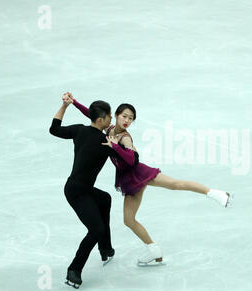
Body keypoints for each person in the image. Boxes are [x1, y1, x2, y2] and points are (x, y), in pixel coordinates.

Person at [63, 92, 233, 266]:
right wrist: (74, 102)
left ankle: (216, 194)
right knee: (128, 220)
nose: (127, 120)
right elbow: (93, 115)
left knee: (175, 184)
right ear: (114, 116)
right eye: (124, 116)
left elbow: (131, 160)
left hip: (138, 173)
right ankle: (154, 250)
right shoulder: (109, 129)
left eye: (131, 118)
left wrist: (115, 146)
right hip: (128, 180)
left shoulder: (125, 138)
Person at [49, 94, 140, 288]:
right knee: (96, 229)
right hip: (77, 193)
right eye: (109, 116)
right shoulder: (104, 142)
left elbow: (54, 129)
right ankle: (74, 269)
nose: (111, 119)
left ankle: (105, 248)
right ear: (101, 120)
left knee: (105, 199)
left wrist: (66, 106)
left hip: (77, 186)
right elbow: (132, 161)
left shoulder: (80, 130)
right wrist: (121, 148)